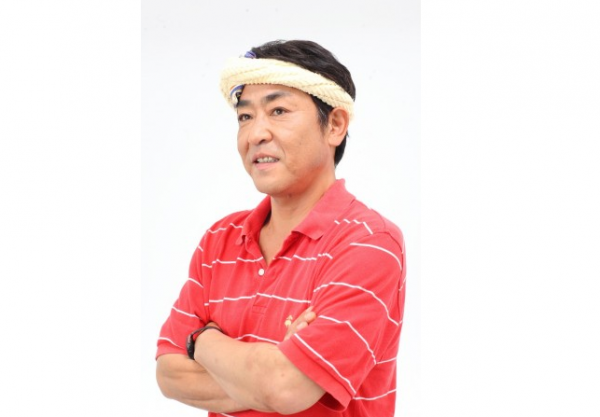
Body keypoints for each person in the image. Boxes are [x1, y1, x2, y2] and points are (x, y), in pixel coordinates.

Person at [155, 39, 406, 417]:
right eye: (245, 116)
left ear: (335, 125)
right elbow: (169, 374)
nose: (255, 134)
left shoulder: (368, 243)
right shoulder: (219, 240)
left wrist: (201, 341)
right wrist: (268, 375)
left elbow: (286, 387)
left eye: (278, 111)